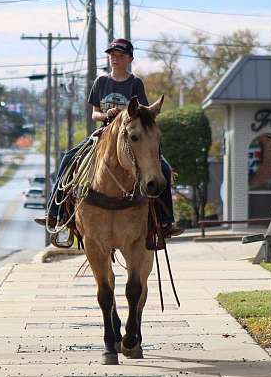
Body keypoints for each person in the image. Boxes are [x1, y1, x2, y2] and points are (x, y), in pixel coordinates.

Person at [35, 38, 183, 238]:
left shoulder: (135, 83)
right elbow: (94, 113)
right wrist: (106, 116)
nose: (115, 59)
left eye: (121, 56)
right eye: (112, 55)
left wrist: (124, 113)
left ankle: (166, 220)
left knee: (163, 168)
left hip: (128, 136)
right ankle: (55, 213)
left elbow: (143, 112)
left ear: (130, 58)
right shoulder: (101, 82)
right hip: (104, 134)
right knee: (68, 158)